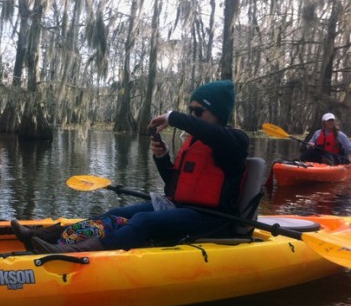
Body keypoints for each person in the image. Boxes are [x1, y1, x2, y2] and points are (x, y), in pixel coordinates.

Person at [13, 79, 249, 253]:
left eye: (199, 111)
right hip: (179, 208)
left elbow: (210, 133)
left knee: (143, 221)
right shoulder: (195, 141)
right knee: (114, 213)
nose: (193, 115)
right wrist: (162, 158)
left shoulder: (235, 141)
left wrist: (172, 117)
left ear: (217, 113)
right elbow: (173, 187)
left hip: (213, 219)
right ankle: (49, 236)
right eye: (191, 111)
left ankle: (79, 251)